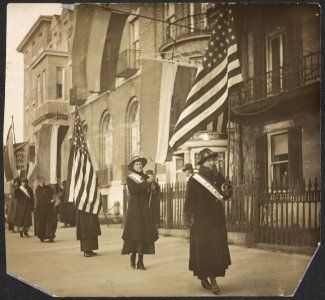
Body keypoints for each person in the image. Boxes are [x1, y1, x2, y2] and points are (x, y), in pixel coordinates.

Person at [183, 148, 232, 294]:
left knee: (216, 248)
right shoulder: (194, 180)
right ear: (202, 163)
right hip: (201, 220)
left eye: (213, 160)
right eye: (209, 160)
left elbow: (225, 195)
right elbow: (189, 201)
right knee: (207, 249)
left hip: (216, 218)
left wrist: (228, 188)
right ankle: (213, 281)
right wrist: (188, 216)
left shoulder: (219, 176)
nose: (212, 163)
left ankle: (206, 277)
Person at [121, 155, 159, 270]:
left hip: (145, 210)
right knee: (135, 234)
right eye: (137, 164)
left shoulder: (146, 176)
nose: (139, 166)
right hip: (135, 211)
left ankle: (140, 262)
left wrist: (154, 187)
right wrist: (148, 183)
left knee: (144, 236)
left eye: (140, 164)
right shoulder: (130, 178)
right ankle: (133, 258)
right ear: (133, 166)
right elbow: (134, 190)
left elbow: (155, 192)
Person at [34, 176, 57, 242]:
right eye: (41, 180)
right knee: (42, 223)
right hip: (41, 208)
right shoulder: (38, 189)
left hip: (49, 208)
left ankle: (50, 236)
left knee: (51, 222)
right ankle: (42, 236)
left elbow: (52, 193)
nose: (42, 181)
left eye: (43, 180)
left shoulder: (48, 187)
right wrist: (49, 201)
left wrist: (53, 199)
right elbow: (40, 198)